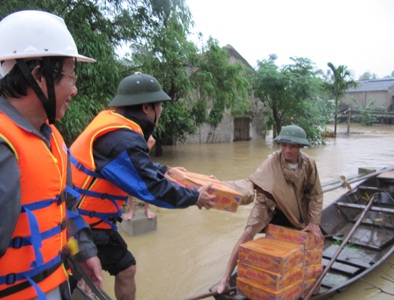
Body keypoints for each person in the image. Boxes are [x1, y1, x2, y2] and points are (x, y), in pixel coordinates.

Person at [69, 72, 215, 300]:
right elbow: (151, 188)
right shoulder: (122, 139)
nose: (161, 112)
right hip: (79, 225)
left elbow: (135, 167)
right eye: (159, 106)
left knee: (126, 267)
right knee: (76, 280)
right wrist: (195, 197)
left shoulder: (115, 128)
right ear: (147, 108)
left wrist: (167, 171)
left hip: (91, 221)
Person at [0, 10, 103, 300]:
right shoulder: (4, 147)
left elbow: (64, 209)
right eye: (71, 75)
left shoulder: (53, 139)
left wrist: (82, 251)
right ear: (38, 75)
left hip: (56, 284)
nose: (75, 89)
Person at [212, 124, 324, 294]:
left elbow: (315, 195)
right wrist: (220, 186)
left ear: (300, 147)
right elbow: (251, 182)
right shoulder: (272, 161)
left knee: (305, 241)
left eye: (292, 146)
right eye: (284, 145)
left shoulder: (309, 164)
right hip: (269, 205)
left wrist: (314, 222)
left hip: (294, 208)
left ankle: (299, 282)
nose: (287, 150)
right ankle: (225, 279)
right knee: (246, 235)